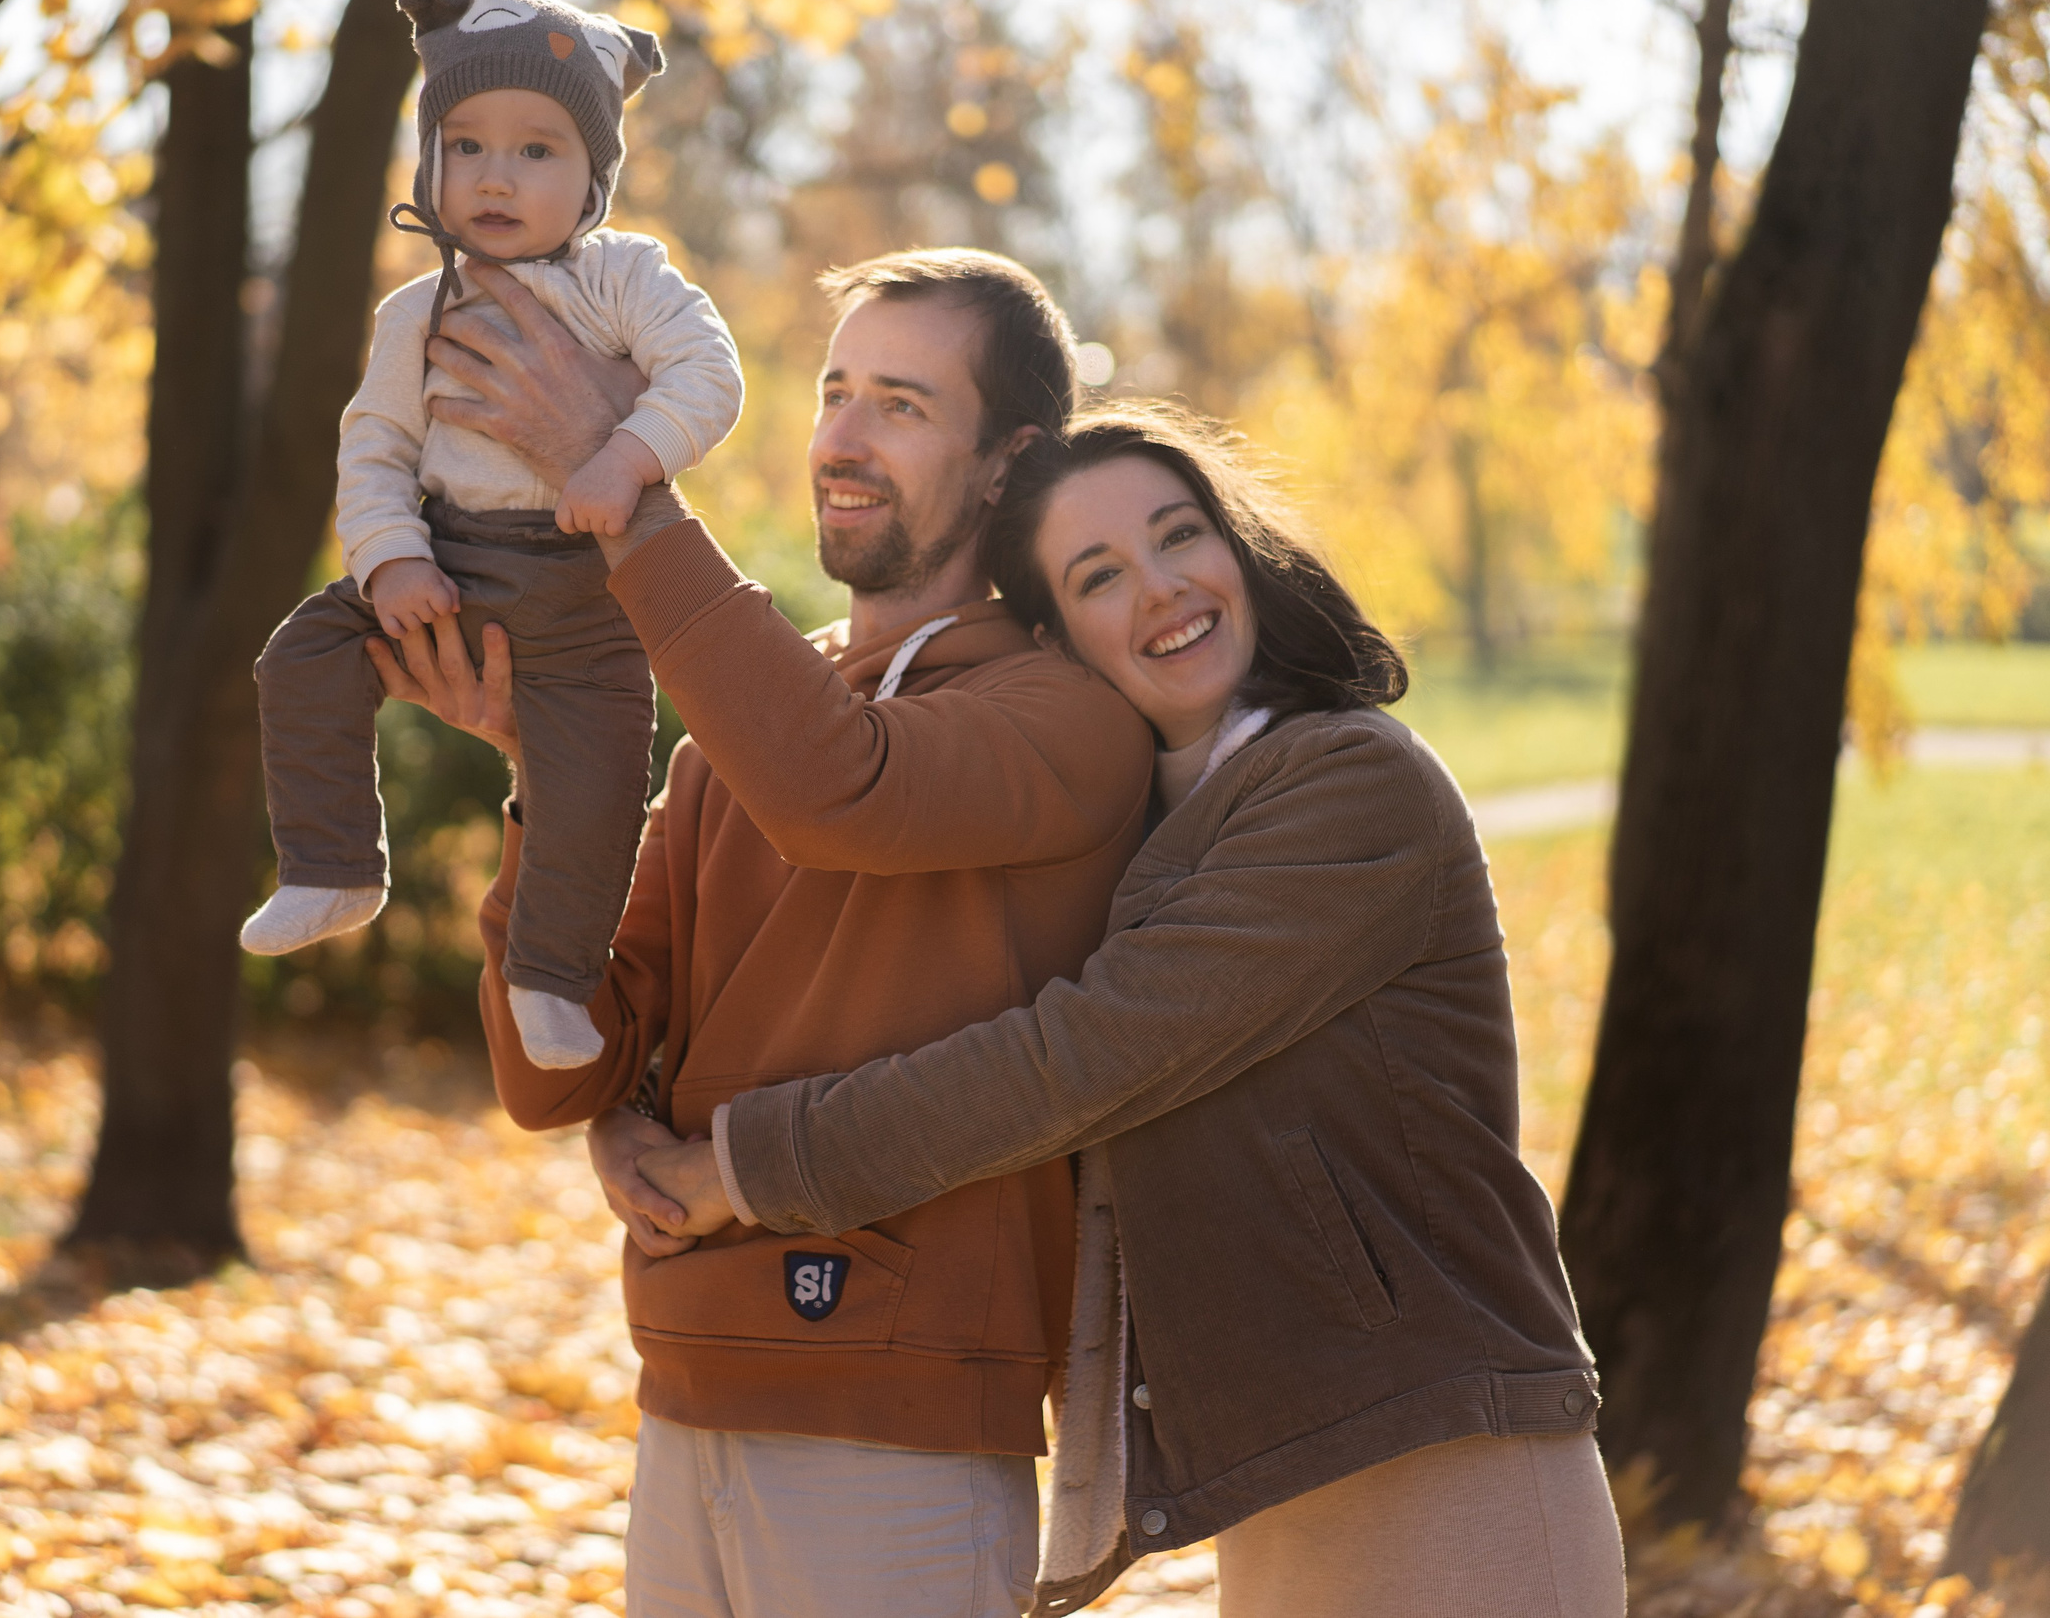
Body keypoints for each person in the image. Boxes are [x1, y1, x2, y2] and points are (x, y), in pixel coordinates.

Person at [624, 405, 1629, 1618]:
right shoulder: (1130, 833)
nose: (1161, 588)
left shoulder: (1352, 783)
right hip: (1285, 1468)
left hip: (1449, 1448)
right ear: (1056, 639)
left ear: (1238, 548)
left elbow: (1077, 1059)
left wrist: (749, 1164)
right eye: (1100, 574)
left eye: (1179, 535)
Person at [373, 251, 1155, 1618]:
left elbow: (838, 787)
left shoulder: (1068, 717)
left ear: (1007, 462)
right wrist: (548, 780)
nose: (843, 438)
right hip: (684, 1384)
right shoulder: (730, 751)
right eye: (835, 393)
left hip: (902, 1427)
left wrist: (623, 483)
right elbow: (557, 1075)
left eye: (902, 404)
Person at [245, 0, 743, 1073]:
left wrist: (624, 456)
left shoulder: (625, 278)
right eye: (464, 144)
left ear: (595, 177)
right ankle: (332, 867)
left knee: (596, 782)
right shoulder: (416, 310)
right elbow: (376, 445)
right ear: (430, 160)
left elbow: (710, 377)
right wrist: (390, 561)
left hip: (584, 594)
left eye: (537, 150)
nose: (495, 176)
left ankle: (553, 980)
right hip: (448, 563)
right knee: (302, 656)